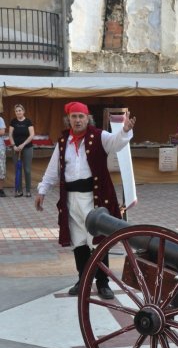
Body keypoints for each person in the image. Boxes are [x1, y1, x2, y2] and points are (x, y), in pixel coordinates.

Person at [35, 101, 136, 299]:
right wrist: (42, 190)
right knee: (79, 242)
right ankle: (83, 279)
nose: (78, 120)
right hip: (71, 199)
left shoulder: (99, 136)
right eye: (74, 117)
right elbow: (52, 170)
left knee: (98, 242)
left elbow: (116, 142)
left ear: (87, 118)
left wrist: (124, 131)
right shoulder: (63, 141)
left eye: (81, 116)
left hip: (94, 198)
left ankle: (103, 282)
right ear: (69, 119)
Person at [9, 104, 35, 197]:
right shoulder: (13, 121)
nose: (18, 112)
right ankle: (19, 191)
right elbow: (10, 134)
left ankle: (28, 190)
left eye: (20, 110)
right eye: (16, 111)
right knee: (18, 169)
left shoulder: (28, 121)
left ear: (23, 111)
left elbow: (32, 135)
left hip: (27, 147)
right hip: (16, 149)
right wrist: (14, 145)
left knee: (27, 170)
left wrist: (23, 145)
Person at [0, 113, 6, 197]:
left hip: (0, 147)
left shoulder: (0, 119)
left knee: (1, 169)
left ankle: (0, 189)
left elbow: (2, 132)